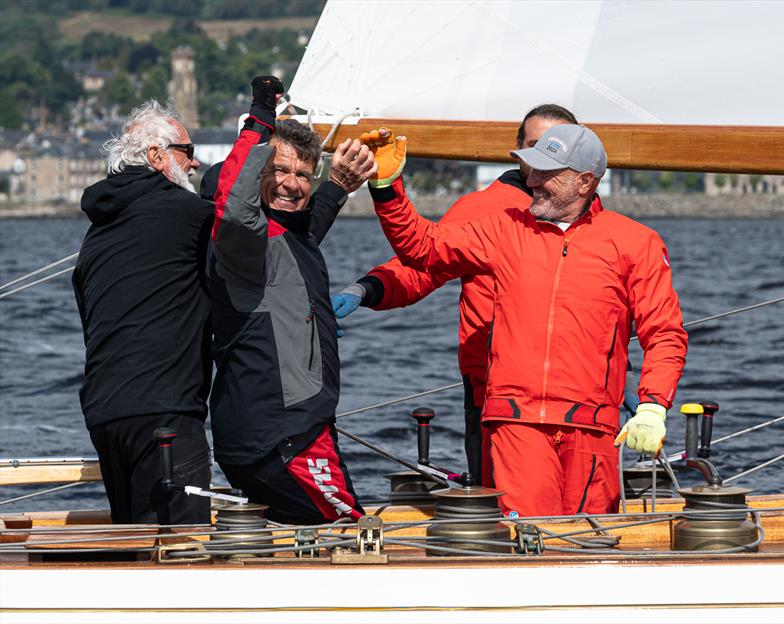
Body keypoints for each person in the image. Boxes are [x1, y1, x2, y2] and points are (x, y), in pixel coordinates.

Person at [363, 124, 688, 517]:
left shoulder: (636, 242)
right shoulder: (504, 228)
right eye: (531, 170)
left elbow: (665, 333)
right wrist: (386, 186)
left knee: (588, 542)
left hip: (592, 429)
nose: (532, 181)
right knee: (532, 537)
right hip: (516, 422)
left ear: (584, 182)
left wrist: (653, 406)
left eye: (546, 174)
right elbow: (423, 248)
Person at [332, 105, 578, 484]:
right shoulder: (484, 210)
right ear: (517, 149)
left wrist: (618, 374)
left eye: (558, 145)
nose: (547, 155)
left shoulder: (590, 214)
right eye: (536, 144)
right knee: (501, 499)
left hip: (579, 386)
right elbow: (425, 263)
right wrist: (366, 289)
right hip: (496, 388)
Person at [207, 76, 377, 525]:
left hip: (283, 432)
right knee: (350, 535)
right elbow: (233, 204)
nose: (292, 184)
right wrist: (260, 116)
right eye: (279, 171)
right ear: (259, 173)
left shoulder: (289, 235)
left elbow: (307, 222)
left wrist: (338, 183)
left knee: (318, 539)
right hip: (285, 437)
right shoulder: (246, 241)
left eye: (303, 174)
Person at [73, 101, 213, 525]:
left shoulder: (97, 232)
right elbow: (253, 238)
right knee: (180, 548)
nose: (195, 161)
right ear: (157, 155)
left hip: (105, 413)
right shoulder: (187, 213)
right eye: (186, 150)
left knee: (134, 542)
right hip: (164, 409)